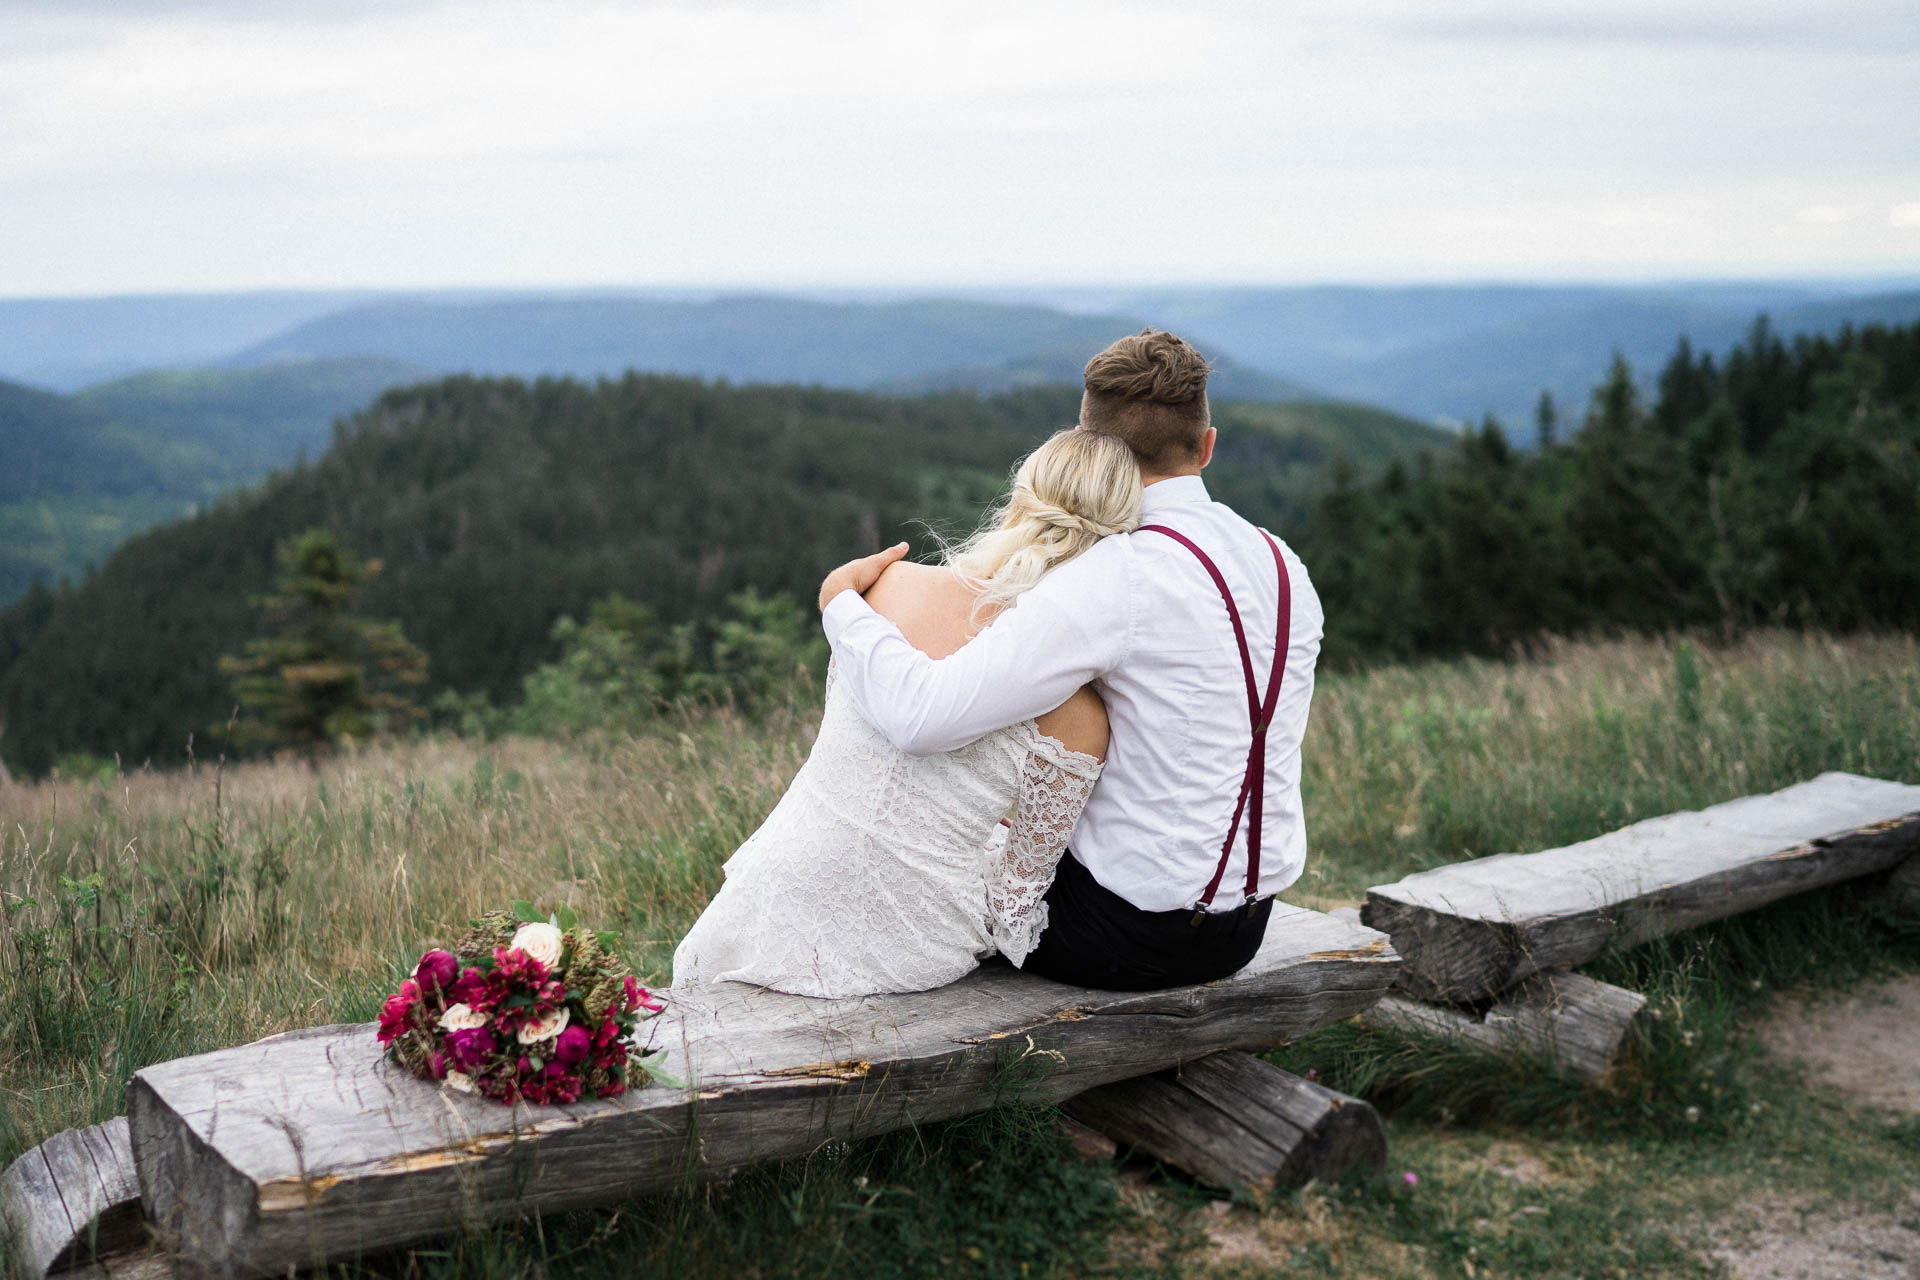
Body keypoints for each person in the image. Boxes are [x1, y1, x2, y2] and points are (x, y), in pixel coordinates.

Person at [818, 329, 1323, 991]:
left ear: (1087, 452)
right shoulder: (1283, 563)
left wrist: (841, 607)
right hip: (1244, 927)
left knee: (917, 863)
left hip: (1126, 935)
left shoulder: (1118, 574)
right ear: (1207, 445)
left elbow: (924, 718)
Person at [671, 429, 1141, 999]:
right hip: (911, 944)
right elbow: (1017, 900)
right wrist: (984, 839)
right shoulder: (1084, 714)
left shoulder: (887, 584)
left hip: (774, 893)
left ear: (1019, 501)